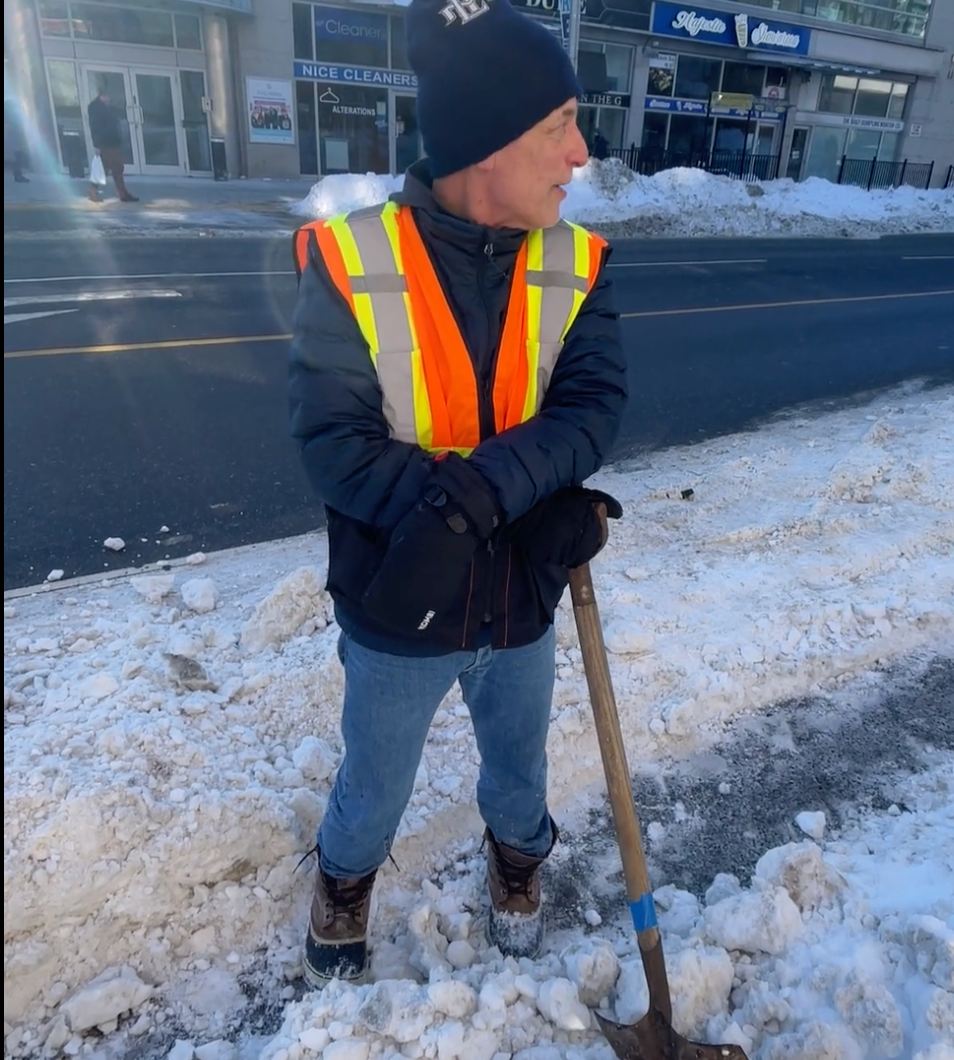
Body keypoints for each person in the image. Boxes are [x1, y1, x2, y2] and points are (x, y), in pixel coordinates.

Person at [289, 0, 627, 988]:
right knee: (374, 780)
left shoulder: (576, 261)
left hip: (521, 597)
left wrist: (492, 498)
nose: (580, 154)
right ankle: (344, 881)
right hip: (398, 600)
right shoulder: (347, 262)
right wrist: (488, 502)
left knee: (519, 772)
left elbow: (591, 404)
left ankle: (516, 864)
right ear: (489, 145)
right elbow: (334, 443)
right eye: (559, 125)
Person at [87, 89, 137, 203]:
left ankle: (122, 193)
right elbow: (95, 127)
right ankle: (93, 190)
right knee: (109, 168)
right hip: (105, 143)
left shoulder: (107, 107)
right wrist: (97, 145)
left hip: (112, 142)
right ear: (101, 96)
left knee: (116, 168)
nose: (108, 99)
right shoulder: (95, 108)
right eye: (106, 96)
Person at [5, 100, 30, 183]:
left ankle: (18, 174)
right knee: (19, 154)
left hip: (14, 138)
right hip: (13, 138)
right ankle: (18, 175)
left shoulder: (12, 116)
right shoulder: (12, 116)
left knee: (19, 155)